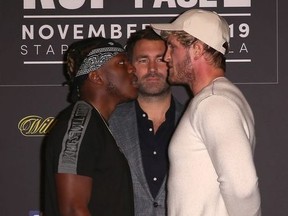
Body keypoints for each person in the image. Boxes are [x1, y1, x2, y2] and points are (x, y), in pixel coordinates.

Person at [151, 9, 261, 216]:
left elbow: (243, 187)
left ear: (197, 49)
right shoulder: (217, 98)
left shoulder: (214, 102)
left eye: (172, 47)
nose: (166, 57)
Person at [44, 37, 137, 216]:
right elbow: (73, 210)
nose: (132, 68)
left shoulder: (94, 123)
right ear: (96, 76)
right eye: (121, 62)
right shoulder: (79, 123)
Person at [108, 27, 184, 216]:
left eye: (160, 59)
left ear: (171, 61)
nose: (152, 69)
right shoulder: (107, 121)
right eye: (143, 60)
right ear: (130, 66)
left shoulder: (193, 119)